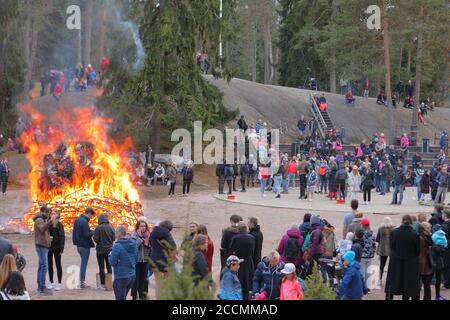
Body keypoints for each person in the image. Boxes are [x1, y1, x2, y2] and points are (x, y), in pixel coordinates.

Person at [385, 215, 420, 300]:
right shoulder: (414, 234)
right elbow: (418, 250)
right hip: (410, 263)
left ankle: (389, 296)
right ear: (411, 222)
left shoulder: (394, 232)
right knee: (408, 285)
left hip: (396, 261)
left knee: (393, 282)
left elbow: (392, 246)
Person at [108, 226, 138, 300]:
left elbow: (112, 262)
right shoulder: (134, 244)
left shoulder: (117, 246)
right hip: (132, 275)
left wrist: (110, 255)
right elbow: (136, 259)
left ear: (118, 234)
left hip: (121, 277)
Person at [149, 220, 177, 299]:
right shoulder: (166, 233)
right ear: (168, 228)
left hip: (154, 260)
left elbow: (150, 244)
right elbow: (173, 246)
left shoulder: (153, 232)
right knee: (167, 282)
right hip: (165, 261)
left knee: (158, 283)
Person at [34, 205, 56, 295]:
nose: (48, 214)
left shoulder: (43, 219)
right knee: (44, 267)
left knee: (41, 266)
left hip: (43, 245)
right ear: (42, 212)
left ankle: (40, 286)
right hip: (41, 245)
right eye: (47, 212)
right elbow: (42, 229)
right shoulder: (39, 220)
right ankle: (42, 288)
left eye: (49, 212)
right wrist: (51, 220)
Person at [229, 222, 255, 300]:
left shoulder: (235, 238)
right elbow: (253, 250)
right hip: (248, 259)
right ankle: (246, 295)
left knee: (239, 277)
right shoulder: (251, 237)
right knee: (247, 277)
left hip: (238, 259)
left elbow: (232, 250)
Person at [72, 207, 96, 289]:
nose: (91, 218)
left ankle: (81, 282)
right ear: (89, 213)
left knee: (83, 263)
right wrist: (93, 231)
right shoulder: (84, 221)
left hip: (78, 245)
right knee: (84, 264)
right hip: (85, 245)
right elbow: (86, 235)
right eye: (91, 216)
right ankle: (82, 282)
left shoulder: (77, 220)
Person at [93, 213, 115, 291]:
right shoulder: (111, 227)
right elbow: (113, 238)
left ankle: (102, 284)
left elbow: (96, 239)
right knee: (109, 266)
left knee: (101, 267)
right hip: (109, 250)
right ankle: (109, 282)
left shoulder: (98, 228)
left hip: (100, 251)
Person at [130, 220, 151, 300]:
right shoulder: (133, 235)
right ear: (138, 227)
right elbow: (133, 246)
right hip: (136, 261)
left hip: (145, 261)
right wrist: (140, 239)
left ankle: (141, 296)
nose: (143, 227)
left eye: (144, 226)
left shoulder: (148, 235)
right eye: (141, 226)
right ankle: (134, 297)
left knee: (143, 280)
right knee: (136, 280)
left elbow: (150, 247)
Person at [47, 212, 65, 291]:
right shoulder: (48, 223)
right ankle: (51, 282)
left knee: (58, 264)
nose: (52, 214)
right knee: (49, 264)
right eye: (52, 213)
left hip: (57, 247)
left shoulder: (59, 224)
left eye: (54, 213)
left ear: (57, 216)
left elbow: (62, 237)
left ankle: (59, 283)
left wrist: (62, 248)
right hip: (49, 247)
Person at [376, 217, 394, 285]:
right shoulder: (393, 229)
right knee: (391, 265)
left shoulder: (381, 228)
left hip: (383, 248)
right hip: (391, 249)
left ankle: (380, 279)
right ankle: (390, 280)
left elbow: (377, 239)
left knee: (382, 265)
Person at [418, 222, 433, 300]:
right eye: (428, 228)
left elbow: (432, 244)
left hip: (426, 262)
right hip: (421, 262)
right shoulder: (420, 237)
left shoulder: (428, 236)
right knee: (418, 283)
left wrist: (429, 234)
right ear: (423, 229)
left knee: (427, 284)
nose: (430, 229)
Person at [360, 218, 376, 287]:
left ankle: (362, 287)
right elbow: (374, 245)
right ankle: (368, 287)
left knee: (362, 272)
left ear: (364, 225)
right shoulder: (372, 233)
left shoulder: (362, 234)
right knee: (368, 272)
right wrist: (373, 253)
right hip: (370, 255)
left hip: (363, 255)